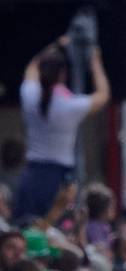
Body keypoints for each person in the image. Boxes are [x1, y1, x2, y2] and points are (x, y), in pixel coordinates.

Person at [14, 37, 110, 221]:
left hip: (32, 172)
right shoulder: (69, 105)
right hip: (58, 175)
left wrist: (56, 44)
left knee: (26, 225)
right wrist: (95, 62)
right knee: (55, 226)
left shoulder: (30, 95)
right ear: (62, 75)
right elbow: (103, 95)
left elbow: (32, 66)